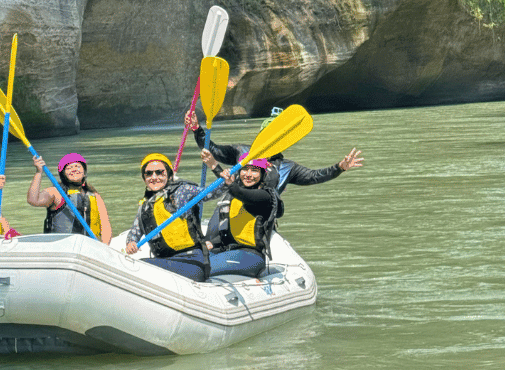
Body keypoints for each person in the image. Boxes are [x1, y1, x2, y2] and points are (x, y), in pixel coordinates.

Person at [185, 109, 364, 198]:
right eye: (268, 136)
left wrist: (340, 167)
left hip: (261, 217)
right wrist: (196, 129)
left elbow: (315, 176)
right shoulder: (241, 151)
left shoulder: (287, 167)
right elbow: (213, 150)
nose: (271, 142)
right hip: (233, 206)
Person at [123, 153, 209, 281]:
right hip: (165, 262)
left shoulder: (182, 192)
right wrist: (131, 243)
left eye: (159, 172)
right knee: (134, 264)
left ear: (168, 175)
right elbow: (134, 232)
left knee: (141, 265)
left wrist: (217, 169)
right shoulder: (145, 206)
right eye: (149, 173)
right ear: (144, 178)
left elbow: (211, 193)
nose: (154, 177)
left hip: (191, 262)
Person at [200, 149, 281, 278]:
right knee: (194, 261)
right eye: (245, 169)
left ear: (262, 174)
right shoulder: (233, 195)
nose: (248, 175)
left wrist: (224, 177)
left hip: (251, 256)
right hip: (226, 250)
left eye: (254, 170)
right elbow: (234, 188)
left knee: (201, 269)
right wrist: (213, 164)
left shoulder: (265, 197)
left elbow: (242, 194)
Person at [27, 152, 113, 243]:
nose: (74, 169)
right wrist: (39, 172)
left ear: (84, 173)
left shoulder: (94, 195)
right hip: (60, 247)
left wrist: (104, 246)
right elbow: (33, 200)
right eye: (69, 168)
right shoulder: (56, 193)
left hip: (88, 247)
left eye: (77, 166)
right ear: (63, 175)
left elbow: (105, 226)